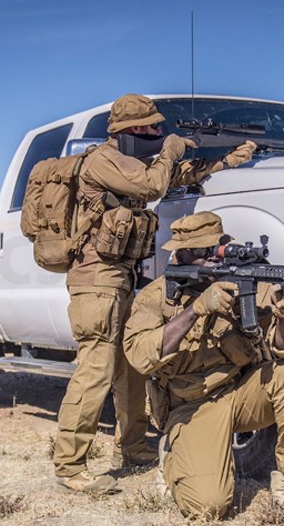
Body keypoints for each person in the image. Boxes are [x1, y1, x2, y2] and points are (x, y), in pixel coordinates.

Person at [53, 94, 257, 494]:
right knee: (96, 368)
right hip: (96, 282)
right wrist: (171, 148)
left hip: (121, 277)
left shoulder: (130, 162)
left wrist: (224, 161)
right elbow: (152, 185)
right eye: (151, 126)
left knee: (131, 365)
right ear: (130, 130)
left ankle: (131, 447)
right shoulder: (103, 160)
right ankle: (70, 464)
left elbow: (174, 176)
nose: (159, 131)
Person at [122, 211, 284, 525]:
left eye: (214, 250)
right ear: (180, 255)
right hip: (191, 405)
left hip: (241, 392)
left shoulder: (245, 283)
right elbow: (139, 355)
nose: (211, 259)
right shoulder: (157, 296)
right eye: (200, 253)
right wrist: (195, 309)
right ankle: (173, 453)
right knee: (208, 506)